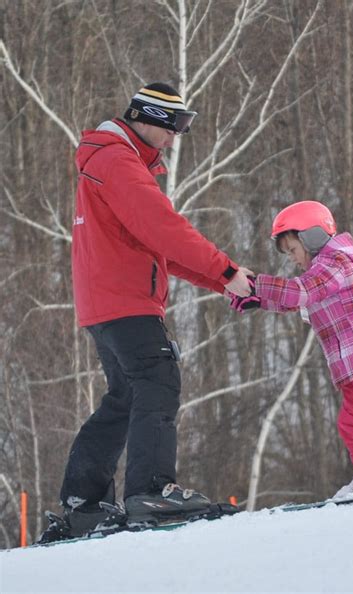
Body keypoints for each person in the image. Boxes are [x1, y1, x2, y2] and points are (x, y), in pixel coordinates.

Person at [42, 82, 252, 541]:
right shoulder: (118, 161)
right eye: (174, 126)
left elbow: (158, 245)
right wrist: (227, 268)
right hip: (125, 298)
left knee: (126, 396)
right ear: (148, 118)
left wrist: (224, 280)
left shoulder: (111, 160)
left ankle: (85, 502)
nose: (176, 138)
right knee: (158, 378)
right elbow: (166, 228)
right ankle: (152, 490)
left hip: (106, 300)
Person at [230, 200, 353, 498]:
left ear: (312, 237)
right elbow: (299, 299)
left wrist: (258, 285)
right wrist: (259, 299)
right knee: (352, 422)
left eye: (293, 250)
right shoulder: (320, 271)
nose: (294, 259)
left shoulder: (336, 263)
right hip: (349, 363)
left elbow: (303, 292)